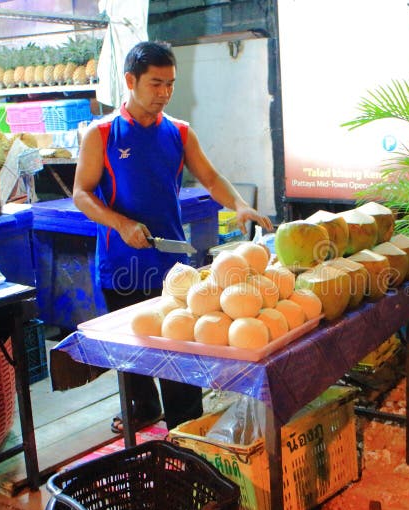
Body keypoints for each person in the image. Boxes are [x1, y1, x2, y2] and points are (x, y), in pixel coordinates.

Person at [73, 41, 273, 433]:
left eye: (171, 84)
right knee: (133, 354)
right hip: (121, 262)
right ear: (131, 81)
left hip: (171, 266)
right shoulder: (101, 135)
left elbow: (212, 178)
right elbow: (81, 192)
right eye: (155, 84)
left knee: (180, 347)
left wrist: (239, 204)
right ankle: (142, 409)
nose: (164, 94)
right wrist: (120, 223)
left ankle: (187, 427)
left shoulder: (180, 133)